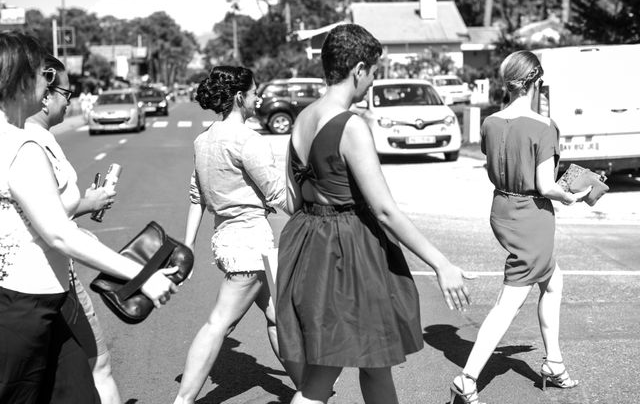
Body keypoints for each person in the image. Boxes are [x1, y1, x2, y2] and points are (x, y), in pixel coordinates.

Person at [275, 23, 474, 404]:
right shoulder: (351, 126)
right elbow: (384, 210)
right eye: (374, 73)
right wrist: (441, 263)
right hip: (349, 251)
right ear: (359, 69)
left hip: (310, 244)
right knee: (320, 379)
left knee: (374, 361)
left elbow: (291, 199)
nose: (371, 82)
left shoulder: (303, 118)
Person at [0, 30, 178, 403]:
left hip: (44, 299)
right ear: (19, 79)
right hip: (23, 305)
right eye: (42, 74)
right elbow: (60, 234)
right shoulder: (23, 146)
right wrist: (141, 274)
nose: (47, 84)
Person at [449, 50, 590, 404]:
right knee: (508, 302)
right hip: (532, 215)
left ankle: (554, 362)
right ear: (535, 82)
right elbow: (545, 185)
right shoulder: (544, 126)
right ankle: (467, 378)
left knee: (553, 281)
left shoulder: (490, 122)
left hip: (503, 208)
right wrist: (570, 196)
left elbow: (491, 166)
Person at [173, 66, 303, 404]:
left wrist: (186, 247)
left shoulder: (204, 140)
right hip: (250, 244)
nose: (258, 97)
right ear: (238, 97)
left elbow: (196, 196)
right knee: (219, 324)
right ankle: (183, 401)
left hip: (228, 240)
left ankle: (308, 393)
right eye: (254, 91)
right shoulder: (248, 140)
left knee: (276, 316)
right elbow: (278, 195)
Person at [25, 54, 123, 404]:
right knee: (98, 365)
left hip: (40, 278)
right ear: (46, 93)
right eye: (67, 93)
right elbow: (49, 216)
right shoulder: (31, 142)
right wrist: (88, 205)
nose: (71, 100)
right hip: (52, 278)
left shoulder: (27, 135)